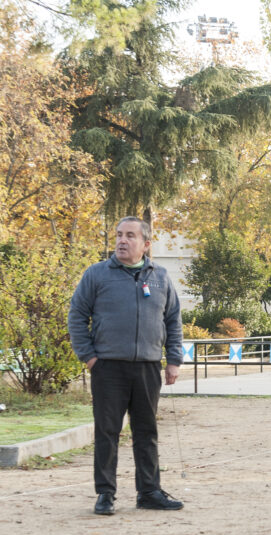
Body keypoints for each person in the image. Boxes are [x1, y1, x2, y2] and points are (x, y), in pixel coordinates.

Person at [68, 216, 185, 516]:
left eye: (130, 235)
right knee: (107, 431)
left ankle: (149, 492)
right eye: (119, 235)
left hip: (147, 367)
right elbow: (77, 316)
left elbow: (172, 319)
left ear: (145, 244)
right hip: (108, 368)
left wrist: (173, 360)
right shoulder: (96, 275)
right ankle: (105, 494)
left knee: (146, 431)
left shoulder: (160, 277)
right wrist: (90, 357)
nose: (122, 240)